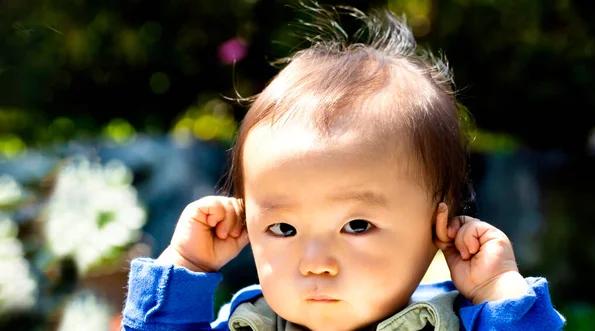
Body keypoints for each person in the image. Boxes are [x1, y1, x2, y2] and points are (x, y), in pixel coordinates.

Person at [122, 4, 565, 330]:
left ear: (439, 227)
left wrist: (498, 291)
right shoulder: (246, 323)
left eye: (356, 224)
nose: (316, 264)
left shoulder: (454, 324)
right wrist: (187, 265)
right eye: (283, 228)